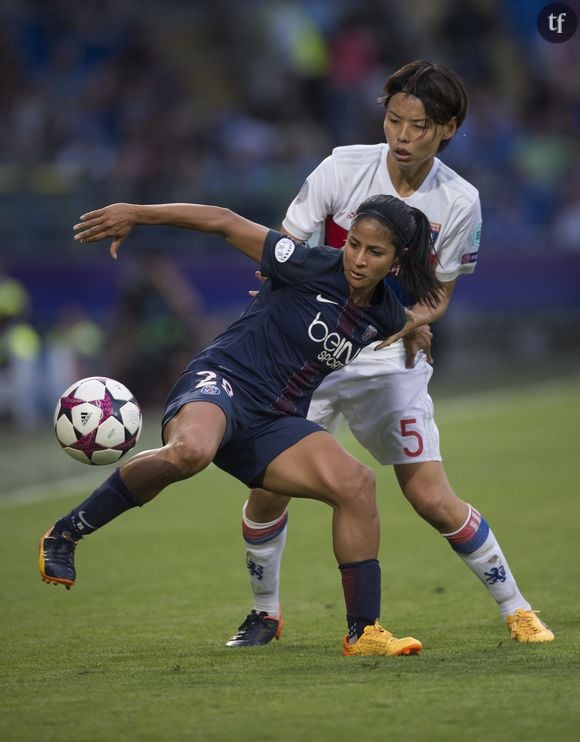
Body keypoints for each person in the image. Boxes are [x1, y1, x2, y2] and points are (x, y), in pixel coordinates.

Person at [227, 60, 554, 647]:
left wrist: (406, 321)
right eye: (394, 120)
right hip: (311, 356)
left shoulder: (460, 201)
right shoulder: (341, 166)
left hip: (388, 362)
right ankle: (265, 614)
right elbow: (287, 248)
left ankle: (517, 609)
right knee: (268, 489)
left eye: (419, 126)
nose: (402, 136)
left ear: (448, 128)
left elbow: (439, 294)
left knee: (429, 495)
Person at [39, 194, 442, 657]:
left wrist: (416, 327)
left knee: (357, 484)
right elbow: (225, 222)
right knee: (192, 452)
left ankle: (364, 633)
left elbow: (409, 315)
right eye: (353, 244)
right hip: (223, 383)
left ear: (395, 261)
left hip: (277, 421)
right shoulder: (308, 262)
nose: (357, 258)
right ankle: (67, 532)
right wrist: (139, 213)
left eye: (374, 253)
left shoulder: (385, 311)